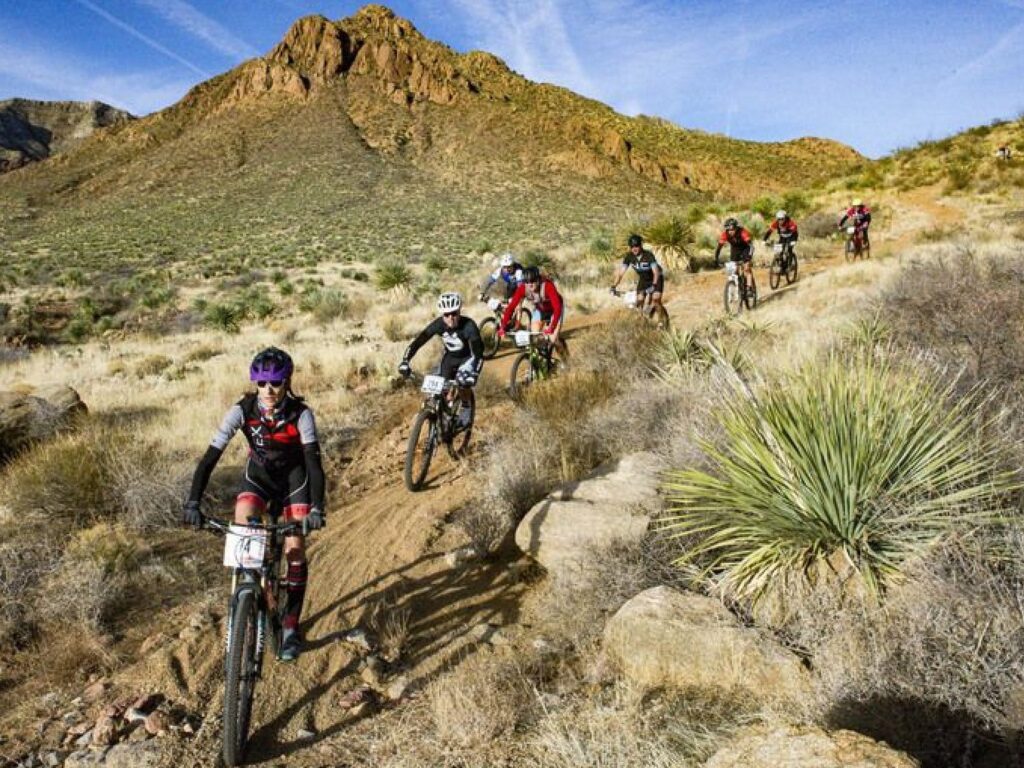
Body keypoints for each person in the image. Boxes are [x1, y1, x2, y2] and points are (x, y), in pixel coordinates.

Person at [182, 347, 326, 662]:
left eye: (275, 382)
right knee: (243, 522)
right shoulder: (242, 410)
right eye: (262, 383)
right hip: (258, 478)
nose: (269, 390)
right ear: (254, 383)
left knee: (295, 549)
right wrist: (193, 501)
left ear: (287, 382)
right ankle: (247, 595)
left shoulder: (302, 415)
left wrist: (317, 508)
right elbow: (210, 458)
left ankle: (289, 626)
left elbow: (314, 464)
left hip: (294, 483)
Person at [399, 292, 483, 428]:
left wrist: (475, 373)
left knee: (462, 383)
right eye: (446, 315)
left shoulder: (469, 326)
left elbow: (479, 354)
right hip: (449, 358)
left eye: (454, 313)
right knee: (440, 389)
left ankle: (466, 407)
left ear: (459, 311)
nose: (451, 318)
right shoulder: (439, 324)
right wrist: (405, 360)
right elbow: (419, 341)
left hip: (467, 359)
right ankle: (444, 413)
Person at [499, 266, 567, 359]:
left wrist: (552, 326)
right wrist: (503, 327)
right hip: (540, 310)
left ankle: (566, 360)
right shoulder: (523, 288)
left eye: (532, 281)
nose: (530, 284)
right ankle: (540, 363)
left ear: (538, 280)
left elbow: (557, 307)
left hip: (555, 310)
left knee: (553, 338)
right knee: (534, 337)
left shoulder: (547, 285)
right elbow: (511, 308)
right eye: (526, 282)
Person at [610, 233, 665, 318]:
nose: (634, 248)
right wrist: (614, 286)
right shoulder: (629, 257)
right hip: (643, 279)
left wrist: (654, 286)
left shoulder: (648, 255)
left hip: (656, 278)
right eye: (632, 246)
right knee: (639, 301)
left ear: (641, 245)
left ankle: (662, 320)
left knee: (656, 299)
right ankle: (643, 321)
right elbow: (620, 273)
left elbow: (656, 272)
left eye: (636, 246)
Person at [714, 217, 755, 286]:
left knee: (746, 268)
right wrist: (716, 258)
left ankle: (749, 288)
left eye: (732, 229)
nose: (730, 232)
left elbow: (751, 246)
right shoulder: (725, 234)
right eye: (728, 230)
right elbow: (719, 247)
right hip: (735, 249)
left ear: (736, 228)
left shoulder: (742, 232)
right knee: (734, 270)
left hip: (745, 248)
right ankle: (738, 286)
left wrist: (749, 257)